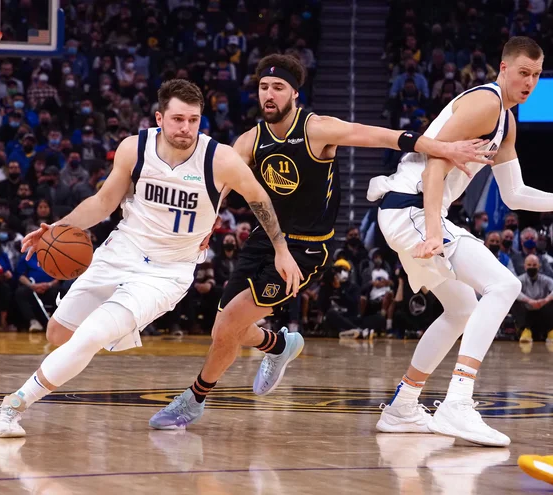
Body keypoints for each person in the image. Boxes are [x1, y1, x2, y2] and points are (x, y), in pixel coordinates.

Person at [149, 53, 494, 429]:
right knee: (223, 331)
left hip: (305, 248)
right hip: (266, 239)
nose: (269, 94)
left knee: (230, 321)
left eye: (278, 88)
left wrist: (442, 148)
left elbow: (381, 136)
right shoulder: (250, 140)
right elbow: (218, 184)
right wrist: (204, 229)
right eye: (264, 87)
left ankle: (193, 400)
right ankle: (280, 346)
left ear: (294, 93)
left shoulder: (317, 129)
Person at [0, 79, 303, 438]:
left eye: (193, 120)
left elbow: (259, 199)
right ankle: (276, 343)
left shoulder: (219, 159)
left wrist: (281, 249)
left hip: (167, 273)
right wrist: (56, 227)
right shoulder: (134, 148)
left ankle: (13, 405)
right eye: (177, 119)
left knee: (90, 336)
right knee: (60, 333)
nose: (186, 128)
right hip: (121, 250)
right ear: (160, 117)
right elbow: (103, 203)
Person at [369, 37, 553, 446]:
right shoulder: (485, 103)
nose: (530, 82)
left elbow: (515, 194)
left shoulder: (506, 120)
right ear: (503, 69)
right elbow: (436, 161)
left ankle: (403, 407)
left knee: (462, 308)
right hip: (412, 208)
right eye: (523, 72)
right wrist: (435, 229)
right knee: (506, 284)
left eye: (537, 75)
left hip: (413, 211)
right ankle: (457, 402)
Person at [516, 254, 553, 344]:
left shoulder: (546, 279)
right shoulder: (520, 279)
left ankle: (551, 331)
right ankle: (525, 331)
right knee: (514, 301)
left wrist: (546, 300)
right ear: (525, 266)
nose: (532, 267)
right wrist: (529, 301)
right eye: (529, 265)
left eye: (534, 265)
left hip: (543, 311)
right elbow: (514, 291)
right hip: (526, 311)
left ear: (539, 266)